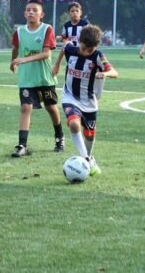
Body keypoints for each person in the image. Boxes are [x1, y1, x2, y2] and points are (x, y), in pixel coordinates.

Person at [56, 25, 117, 176]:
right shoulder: (71, 49)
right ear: (79, 41)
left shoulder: (98, 56)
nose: (86, 52)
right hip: (70, 96)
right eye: (84, 48)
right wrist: (56, 65)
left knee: (89, 134)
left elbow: (114, 72)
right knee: (74, 124)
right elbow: (63, 48)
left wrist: (105, 74)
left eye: (90, 50)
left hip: (89, 101)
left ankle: (89, 156)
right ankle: (87, 160)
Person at [9, 0, 65, 157]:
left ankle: (59, 137)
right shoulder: (19, 32)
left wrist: (23, 60)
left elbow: (47, 53)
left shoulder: (47, 29)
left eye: (34, 10)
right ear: (24, 13)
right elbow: (16, 48)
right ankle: (22, 145)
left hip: (44, 78)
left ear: (42, 14)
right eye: (28, 10)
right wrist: (12, 62)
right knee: (26, 108)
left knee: (51, 107)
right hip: (26, 78)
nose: (31, 12)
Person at [53, 1, 90, 72]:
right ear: (69, 13)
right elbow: (65, 41)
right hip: (71, 53)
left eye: (77, 11)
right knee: (71, 71)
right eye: (72, 11)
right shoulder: (66, 25)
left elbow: (89, 39)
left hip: (83, 52)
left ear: (81, 13)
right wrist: (61, 38)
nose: (75, 13)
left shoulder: (85, 24)